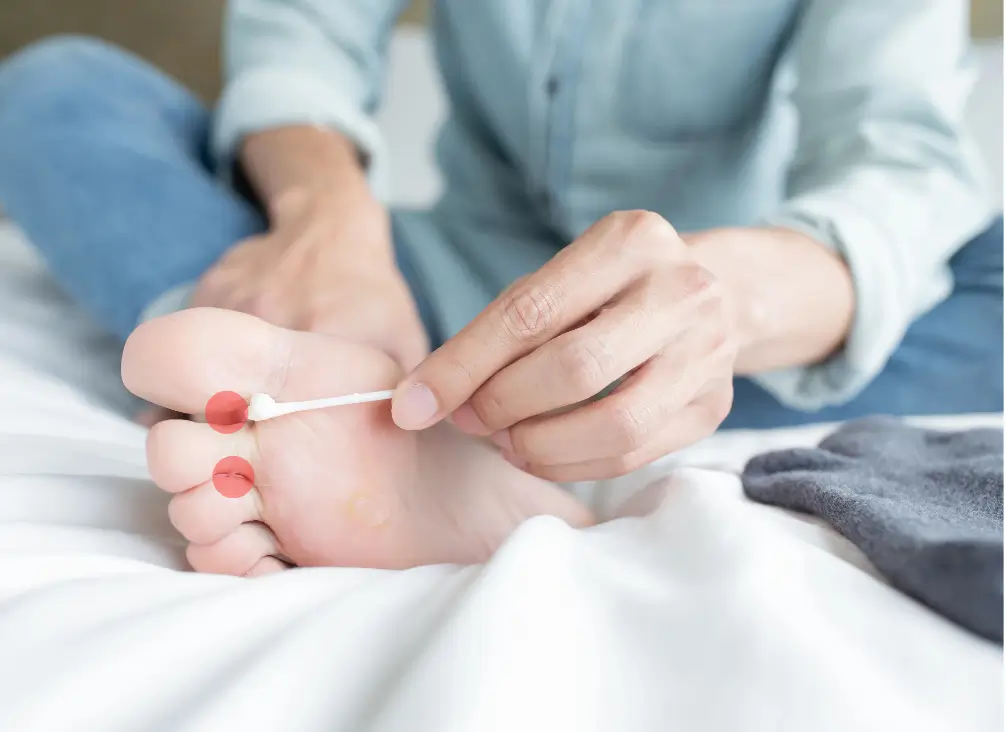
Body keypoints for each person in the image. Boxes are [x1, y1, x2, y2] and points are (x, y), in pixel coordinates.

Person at [0, 2, 1000, 483]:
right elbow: (300, 39)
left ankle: (372, 423)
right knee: (59, 89)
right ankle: (362, 396)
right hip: (426, 298)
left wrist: (719, 304)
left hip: (723, 339)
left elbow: (895, 158)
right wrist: (330, 219)